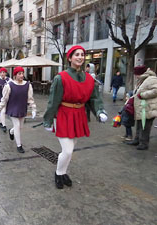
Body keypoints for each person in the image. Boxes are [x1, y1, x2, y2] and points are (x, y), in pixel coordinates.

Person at [43, 45, 107, 189]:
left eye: (82, 54)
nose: (80, 57)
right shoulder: (61, 78)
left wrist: (99, 111)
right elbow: (53, 101)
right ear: (70, 58)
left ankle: (64, 172)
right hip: (64, 115)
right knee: (67, 150)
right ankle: (58, 173)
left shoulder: (89, 79)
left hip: (79, 116)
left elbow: (94, 98)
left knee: (72, 148)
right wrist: (48, 120)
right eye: (76, 54)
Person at [0, 66, 37, 153]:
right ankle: (19, 145)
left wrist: (33, 108)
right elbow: (4, 99)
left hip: (22, 108)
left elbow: (30, 98)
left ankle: (11, 132)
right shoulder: (9, 86)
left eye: (22, 73)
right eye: (19, 74)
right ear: (15, 75)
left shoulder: (27, 85)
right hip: (13, 108)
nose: (21, 75)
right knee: (17, 126)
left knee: (20, 127)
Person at [126, 65, 157, 150]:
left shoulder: (152, 79)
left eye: (136, 74)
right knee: (139, 125)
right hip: (142, 107)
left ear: (141, 73)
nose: (135, 76)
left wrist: (142, 95)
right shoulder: (142, 79)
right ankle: (137, 140)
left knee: (145, 127)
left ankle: (144, 143)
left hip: (149, 107)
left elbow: (155, 90)